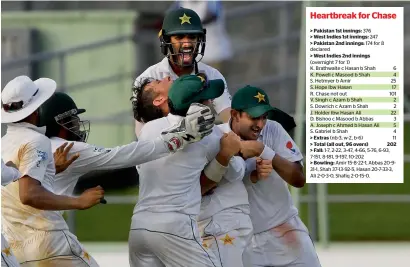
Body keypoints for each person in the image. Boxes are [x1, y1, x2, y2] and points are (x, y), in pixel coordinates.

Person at [129, 74, 247, 267]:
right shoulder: (210, 136)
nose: (210, 102)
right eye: (207, 98)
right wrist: (230, 152)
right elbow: (236, 173)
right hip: (175, 227)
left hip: (139, 226)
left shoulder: (148, 130)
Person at [1, 75, 106, 267]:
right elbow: (28, 194)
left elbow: (13, 186)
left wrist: (49, 171)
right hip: (50, 243)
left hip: (15, 248)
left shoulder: (3, 144)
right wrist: (79, 202)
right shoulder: (36, 140)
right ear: (35, 109)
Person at [37, 91, 216, 197]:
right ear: (59, 123)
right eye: (73, 121)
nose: (77, 126)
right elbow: (123, 156)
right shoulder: (68, 149)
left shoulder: (33, 144)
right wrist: (180, 136)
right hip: (44, 233)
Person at [226, 85, 321, 267]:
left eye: (264, 117)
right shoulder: (218, 136)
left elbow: (298, 179)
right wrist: (251, 172)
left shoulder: (273, 130)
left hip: (285, 229)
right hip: (241, 240)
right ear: (235, 114)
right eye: (254, 117)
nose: (260, 125)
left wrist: (264, 151)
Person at [133, 7, 232, 137]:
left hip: (204, 150)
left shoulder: (213, 75)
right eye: (179, 37)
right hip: (164, 151)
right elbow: (142, 133)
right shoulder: (148, 78)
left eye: (192, 37)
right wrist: (185, 134)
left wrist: (210, 136)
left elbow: (230, 121)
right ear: (166, 41)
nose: (187, 44)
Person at [169, 0, 233, 72]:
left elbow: (211, 15)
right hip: (191, 56)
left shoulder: (212, 2)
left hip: (215, 53)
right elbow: (171, 17)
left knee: (214, 81)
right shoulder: (180, 2)